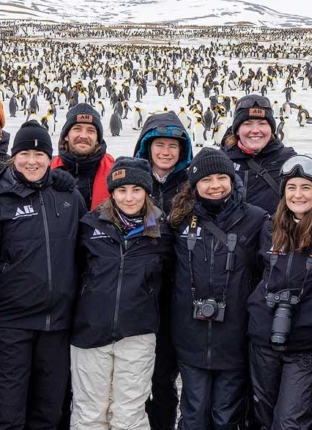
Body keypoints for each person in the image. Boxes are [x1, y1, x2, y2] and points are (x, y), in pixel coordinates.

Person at [0, 120, 85, 430]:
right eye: (24, 154)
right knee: (5, 415)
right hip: (10, 324)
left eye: (39, 155)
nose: (31, 161)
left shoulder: (68, 197)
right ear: (13, 156)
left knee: (47, 414)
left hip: (57, 325)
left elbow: (82, 255)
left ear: (51, 157)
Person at [166, 147, 267, 430]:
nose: (215, 186)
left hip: (234, 336)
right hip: (190, 336)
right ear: (195, 184)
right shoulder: (178, 220)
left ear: (232, 180)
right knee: (194, 413)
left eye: (222, 177)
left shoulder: (256, 219)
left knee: (226, 416)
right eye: (206, 180)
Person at [70, 157, 173, 430]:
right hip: (90, 332)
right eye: (122, 190)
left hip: (137, 334)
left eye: (136, 190)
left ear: (146, 192)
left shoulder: (162, 231)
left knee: (129, 414)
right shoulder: (90, 226)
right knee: (89, 413)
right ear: (112, 192)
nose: (129, 198)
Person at [246, 156, 312, 430]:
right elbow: (255, 272)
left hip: (307, 346)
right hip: (263, 339)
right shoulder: (267, 229)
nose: (298, 194)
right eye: (291, 187)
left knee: (291, 421)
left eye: (306, 187)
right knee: (264, 417)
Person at [130, 111, 193, 430]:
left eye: (173, 145)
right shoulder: (131, 182)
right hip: (137, 296)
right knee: (134, 380)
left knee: (164, 379)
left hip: (176, 297)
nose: (166, 151)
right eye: (159, 144)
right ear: (147, 146)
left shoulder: (191, 186)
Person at [221, 95, 296, 213]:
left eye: (262, 123)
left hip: (275, 231)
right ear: (236, 130)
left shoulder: (289, 161)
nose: (255, 130)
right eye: (248, 124)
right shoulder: (218, 161)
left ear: (271, 129)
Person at [51, 103, 115, 211]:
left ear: (97, 139)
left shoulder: (115, 171)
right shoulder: (47, 170)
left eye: (90, 131)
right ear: (66, 135)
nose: (83, 136)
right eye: (77, 129)